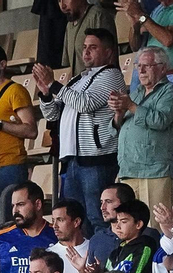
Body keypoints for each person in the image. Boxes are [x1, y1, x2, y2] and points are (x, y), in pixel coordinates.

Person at [35, 28, 125, 234]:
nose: (86, 52)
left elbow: (86, 103)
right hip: (72, 159)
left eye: (93, 48)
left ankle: (104, 261)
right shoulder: (78, 79)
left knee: (98, 216)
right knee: (75, 220)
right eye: (84, 47)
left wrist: (53, 84)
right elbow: (53, 115)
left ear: (109, 52)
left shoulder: (112, 74)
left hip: (96, 158)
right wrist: (46, 94)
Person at [125, 0, 173, 188]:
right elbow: (135, 46)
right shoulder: (159, 10)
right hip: (147, 81)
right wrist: (135, 24)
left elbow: (168, 39)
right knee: (145, 138)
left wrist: (142, 16)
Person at [111, 47, 173, 209]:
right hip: (128, 170)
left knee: (154, 226)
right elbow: (117, 130)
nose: (141, 70)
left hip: (154, 172)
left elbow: (160, 120)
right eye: (138, 66)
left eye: (147, 66)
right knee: (129, 227)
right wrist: (118, 113)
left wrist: (130, 105)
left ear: (162, 68)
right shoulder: (136, 93)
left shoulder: (171, 92)